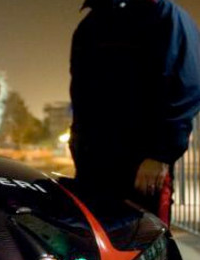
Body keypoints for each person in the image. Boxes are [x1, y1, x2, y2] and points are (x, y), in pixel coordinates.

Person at [69, 0, 200, 225]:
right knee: (92, 247)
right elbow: (81, 95)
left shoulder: (164, 15)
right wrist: (78, 146)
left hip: (141, 168)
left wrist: (159, 155)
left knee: (144, 248)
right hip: (92, 168)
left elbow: (186, 85)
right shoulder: (89, 26)